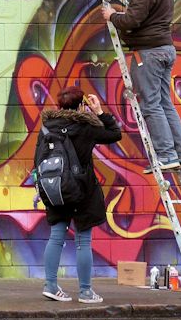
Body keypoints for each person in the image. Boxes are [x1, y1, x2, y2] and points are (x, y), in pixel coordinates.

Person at [101, 0, 181, 172]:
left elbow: (132, 20)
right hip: (164, 49)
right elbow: (147, 12)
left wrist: (112, 15)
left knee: (151, 105)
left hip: (149, 53)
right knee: (164, 103)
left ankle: (166, 155)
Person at [34, 86, 122, 303]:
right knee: (83, 240)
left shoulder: (46, 127)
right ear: (81, 105)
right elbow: (115, 134)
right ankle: (85, 292)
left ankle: (51, 286)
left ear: (60, 105)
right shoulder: (86, 127)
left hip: (56, 188)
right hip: (82, 190)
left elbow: (38, 159)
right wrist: (99, 112)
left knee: (56, 237)